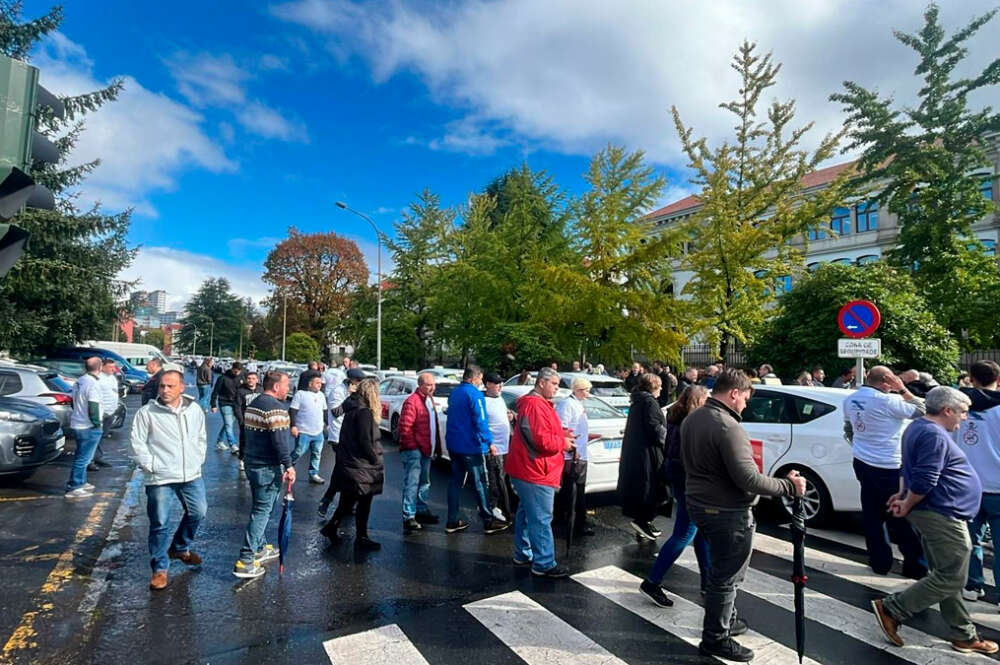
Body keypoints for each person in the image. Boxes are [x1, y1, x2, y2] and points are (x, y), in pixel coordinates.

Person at [681, 368, 806, 662]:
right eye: (746, 398)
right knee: (726, 577)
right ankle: (716, 638)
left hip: (699, 503)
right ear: (734, 393)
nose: (746, 405)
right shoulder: (728, 426)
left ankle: (726, 619)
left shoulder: (694, 417)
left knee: (720, 571)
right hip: (727, 511)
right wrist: (789, 486)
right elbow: (749, 479)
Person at [873, 387, 998, 655]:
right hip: (941, 512)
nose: (965, 418)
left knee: (944, 573)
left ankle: (963, 634)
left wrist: (902, 493)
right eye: (963, 412)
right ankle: (892, 608)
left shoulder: (917, 427)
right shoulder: (933, 435)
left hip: (937, 510)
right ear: (947, 410)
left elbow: (908, 466)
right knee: (952, 577)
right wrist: (906, 501)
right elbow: (926, 477)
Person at [844, 365, 928, 578]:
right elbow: (922, 410)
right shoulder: (889, 401)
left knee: (872, 515)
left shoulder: (850, 400)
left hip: (862, 461)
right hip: (889, 464)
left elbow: (849, 428)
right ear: (886, 382)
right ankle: (915, 565)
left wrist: (861, 446)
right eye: (892, 381)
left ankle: (879, 562)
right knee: (901, 515)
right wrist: (902, 389)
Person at [129, 365, 207, 590]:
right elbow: (137, 444)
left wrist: (198, 458)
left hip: (191, 473)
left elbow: (201, 437)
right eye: (162, 386)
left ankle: (180, 548)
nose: (165, 390)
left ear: (182, 387)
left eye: (171, 386)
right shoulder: (147, 413)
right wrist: (151, 465)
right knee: (160, 522)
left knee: (198, 511)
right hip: (160, 476)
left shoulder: (194, 410)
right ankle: (160, 569)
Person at [641, 384, 710, 608]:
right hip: (690, 482)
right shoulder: (692, 423)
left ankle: (708, 584)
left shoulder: (677, 416)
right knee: (685, 534)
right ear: (698, 401)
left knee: (701, 533)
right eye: (706, 399)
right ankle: (652, 581)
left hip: (680, 478)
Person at [505, 367, 575, 578]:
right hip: (535, 471)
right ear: (541, 383)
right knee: (541, 518)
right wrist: (563, 442)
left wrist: (562, 434)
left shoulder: (535, 403)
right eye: (554, 383)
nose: (556, 388)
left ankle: (523, 553)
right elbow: (541, 441)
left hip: (529, 468)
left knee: (528, 514)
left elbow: (540, 433)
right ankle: (543, 563)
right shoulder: (535, 405)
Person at [233, 370, 296, 579]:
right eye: (286, 385)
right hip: (267, 467)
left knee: (259, 506)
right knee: (262, 511)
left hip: (251, 462)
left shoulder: (254, 402)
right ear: (276, 387)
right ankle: (246, 560)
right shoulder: (276, 409)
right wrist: (288, 465)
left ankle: (259, 547)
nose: (288, 389)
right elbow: (280, 442)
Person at [321, 378, 385, 550]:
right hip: (361, 465)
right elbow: (365, 440)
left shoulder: (352, 408)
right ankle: (361, 537)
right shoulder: (364, 412)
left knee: (348, 501)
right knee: (364, 501)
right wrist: (374, 458)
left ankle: (331, 527)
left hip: (350, 462)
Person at [445, 365, 508, 535]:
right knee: (480, 483)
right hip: (471, 446)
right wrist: (490, 442)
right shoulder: (475, 395)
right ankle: (488, 520)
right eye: (480, 379)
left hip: (453, 444)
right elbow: (481, 420)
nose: (481, 382)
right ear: (474, 378)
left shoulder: (455, 393)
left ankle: (452, 520)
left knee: (456, 483)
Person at [957, 361, 1000, 601]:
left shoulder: (960, 410)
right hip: (998, 487)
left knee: (970, 540)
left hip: (969, 486)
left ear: (971, 379)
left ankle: (973, 585)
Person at [618, 372, 668, 540]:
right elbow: (655, 428)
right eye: (659, 386)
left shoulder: (638, 401)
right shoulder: (649, 402)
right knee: (650, 487)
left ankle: (643, 524)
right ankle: (642, 521)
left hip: (638, 451)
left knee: (642, 487)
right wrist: (668, 440)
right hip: (648, 453)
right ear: (653, 386)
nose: (661, 389)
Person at [317, 368, 365, 518]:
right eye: (358, 381)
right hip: (339, 437)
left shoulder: (356, 392)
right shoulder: (338, 391)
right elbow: (336, 412)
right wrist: (350, 396)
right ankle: (327, 500)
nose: (360, 384)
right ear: (352, 380)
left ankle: (347, 503)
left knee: (351, 471)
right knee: (343, 470)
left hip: (353, 437)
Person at [398, 372, 442, 533]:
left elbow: (433, 426)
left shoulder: (429, 400)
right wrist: (414, 449)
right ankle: (408, 516)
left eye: (433, 384)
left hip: (426, 449)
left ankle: (421, 510)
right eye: (429, 385)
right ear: (420, 385)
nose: (433, 387)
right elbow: (405, 428)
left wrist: (435, 448)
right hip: (414, 451)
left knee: (424, 482)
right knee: (412, 484)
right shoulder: (412, 402)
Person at [554, 376, 594, 537]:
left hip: (579, 452)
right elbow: (562, 429)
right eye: (586, 391)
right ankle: (576, 524)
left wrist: (587, 436)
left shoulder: (577, 404)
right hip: (572, 455)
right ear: (578, 390)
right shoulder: (567, 405)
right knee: (574, 491)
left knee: (574, 490)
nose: (588, 394)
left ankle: (566, 519)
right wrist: (572, 449)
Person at [65, 357, 105, 498]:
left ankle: (81, 481)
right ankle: (74, 486)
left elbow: (73, 401)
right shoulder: (93, 384)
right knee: (83, 458)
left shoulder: (79, 381)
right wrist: (96, 423)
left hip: (78, 423)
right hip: (88, 426)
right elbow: (93, 406)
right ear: (100, 367)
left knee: (82, 455)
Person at [483, 372, 513, 522]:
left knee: (503, 478)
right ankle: (495, 511)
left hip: (505, 446)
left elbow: (504, 414)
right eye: (497, 383)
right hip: (493, 448)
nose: (500, 386)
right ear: (488, 384)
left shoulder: (500, 398)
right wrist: (490, 444)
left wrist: (510, 416)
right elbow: (481, 425)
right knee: (495, 480)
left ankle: (502, 509)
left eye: (501, 383)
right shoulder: (483, 401)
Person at [289, 373, 328, 484]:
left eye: (320, 383)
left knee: (317, 454)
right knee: (298, 452)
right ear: (310, 384)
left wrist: (327, 423)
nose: (319, 385)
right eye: (317, 383)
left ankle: (313, 474)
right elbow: (293, 411)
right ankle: (287, 468)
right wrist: (293, 426)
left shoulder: (321, 395)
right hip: (303, 431)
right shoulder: (301, 394)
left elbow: (324, 411)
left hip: (318, 431)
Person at [211, 361, 243, 454]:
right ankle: (233, 445)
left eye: (239, 371)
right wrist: (213, 404)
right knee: (229, 424)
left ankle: (220, 441)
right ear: (232, 369)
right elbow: (215, 391)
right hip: (225, 403)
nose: (237, 373)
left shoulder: (241, 378)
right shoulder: (223, 378)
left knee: (227, 424)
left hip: (237, 404)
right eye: (236, 371)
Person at [236, 371, 262, 471]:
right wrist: (241, 420)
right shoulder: (241, 391)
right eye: (249, 378)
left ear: (257, 380)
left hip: (258, 420)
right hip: (245, 419)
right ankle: (242, 459)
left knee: (258, 440)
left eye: (253, 378)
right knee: (244, 440)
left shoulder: (260, 389)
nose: (251, 380)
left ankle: (255, 458)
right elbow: (237, 406)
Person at [97, 358, 120, 441]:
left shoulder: (112, 377)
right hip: (102, 411)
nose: (113, 369)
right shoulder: (98, 378)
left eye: (114, 367)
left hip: (111, 410)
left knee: (104, 434)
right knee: (97, 435)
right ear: (102, 367)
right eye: (110, 367)